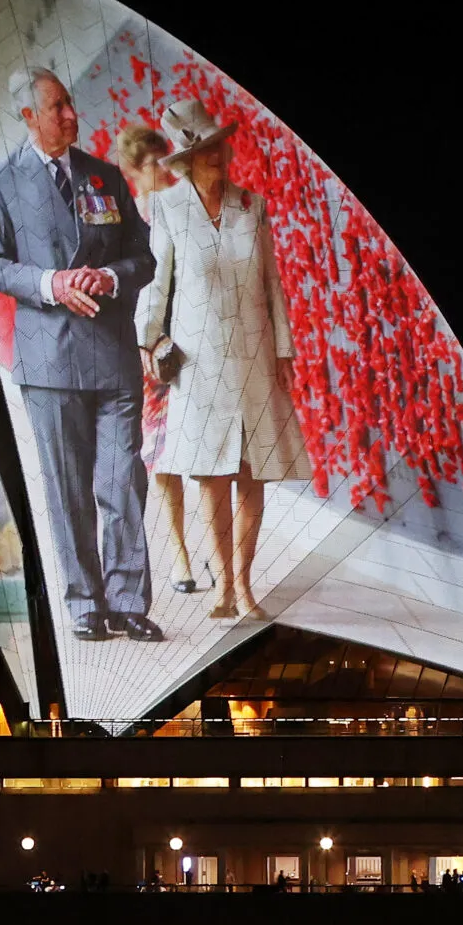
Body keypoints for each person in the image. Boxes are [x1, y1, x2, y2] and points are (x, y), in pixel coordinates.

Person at [0, 66, 162, 643]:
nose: (70, 115)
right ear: (28, 117)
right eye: (56, 108)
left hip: (111, 353)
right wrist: (52, 283)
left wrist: (108, 274)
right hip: (48, 358)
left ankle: (128, 600)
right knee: (67, 484)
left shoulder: (105, 176)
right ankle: (85, 603)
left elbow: (143, 258)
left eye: (69, 104)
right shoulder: (1, 182)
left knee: (122, 478)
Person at [135, 98, 310, 621]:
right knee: (212, 477)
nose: (218, 155)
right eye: (205, 149)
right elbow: (156, 282)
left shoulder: (252, 206)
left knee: (253, 474)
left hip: (254, 358)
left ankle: (246, 585)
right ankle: (223, 588)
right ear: (186, 159)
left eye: (218, 145)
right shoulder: (167, 209)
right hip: (199, 362)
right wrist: (149, 340)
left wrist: (283, 350)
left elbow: (273, 285)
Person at [115, 121, 200, 596]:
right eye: (150, 164)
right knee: (164, 455)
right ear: (135, 171)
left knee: (211, 449)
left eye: (162, 159)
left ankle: (210, 556)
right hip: (155, 349)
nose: (160, 170)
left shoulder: (189, 206)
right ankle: (181, 557)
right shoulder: (135, 221)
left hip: (197, 340)